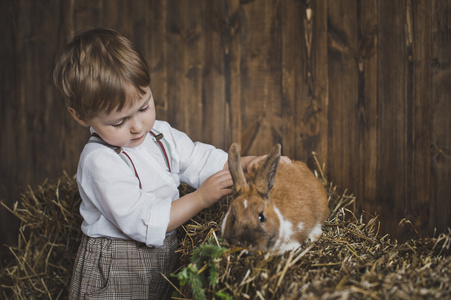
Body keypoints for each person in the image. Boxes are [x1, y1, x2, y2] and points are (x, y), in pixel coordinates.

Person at [53, 28, 264, 299]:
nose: (137, 126)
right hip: (118, 264)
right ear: (81, 117)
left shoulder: (161, 134)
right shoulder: (99, 161)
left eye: (144, 107)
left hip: (164, 255)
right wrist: (200, 198)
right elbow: (143, 221)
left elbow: (202, 162)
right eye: (118, 122)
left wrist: (246, 166)